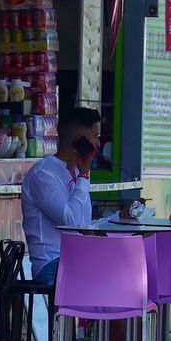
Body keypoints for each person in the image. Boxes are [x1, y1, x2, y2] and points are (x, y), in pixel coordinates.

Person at [22, 105, 106, 282]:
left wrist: (118, 217)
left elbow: (84, 225)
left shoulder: (76, 172)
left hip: (78, 258)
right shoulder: (43, 174)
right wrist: (84, 175)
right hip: (52, 263)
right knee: (107, 273)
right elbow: (72, 223)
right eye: (95, 136)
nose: (98, 143)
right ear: (80, 140)